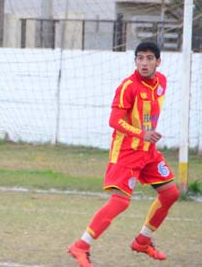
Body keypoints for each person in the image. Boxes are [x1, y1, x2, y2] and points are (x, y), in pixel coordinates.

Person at [67, 41, 179, 267]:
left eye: (149, 58)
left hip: (148, 153)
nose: (144, 63)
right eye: (140, 58)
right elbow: (114, 121)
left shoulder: (162, 82)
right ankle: (81, 246)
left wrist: (147, 138)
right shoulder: (128, 86)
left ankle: (142, 241)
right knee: (120, 202)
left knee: (171, 194)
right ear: (135, 61)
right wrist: (141, 134)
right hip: (126, 153)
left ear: (158, 61)